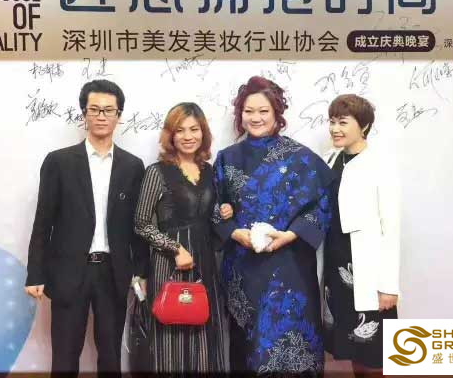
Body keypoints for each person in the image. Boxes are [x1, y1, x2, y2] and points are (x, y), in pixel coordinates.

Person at [24, 79, 148, 376]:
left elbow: (137, 225)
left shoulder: (132, 166)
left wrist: (141, 271)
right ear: (84, 113)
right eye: (94, 109)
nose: (101, 116)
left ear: (119, 115)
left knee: (110, 357)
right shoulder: (59, 162)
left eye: (108, 110)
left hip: (113, 272)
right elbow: (43, 221)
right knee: (65, 357)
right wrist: (35, 273)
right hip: (69, 272)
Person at [213, 76, 334, 374]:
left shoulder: (301, 158)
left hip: (290, 268)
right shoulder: (227, 158)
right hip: (243, 267)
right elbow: (212, 205)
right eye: (248, 111)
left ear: (277, 113)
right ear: (240, 114)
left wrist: (291, 234)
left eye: (263, 111)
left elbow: (323, 202)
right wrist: (234, 232)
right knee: (247, 349)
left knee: (291, 346)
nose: (255, 118)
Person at [134, 102, 228, 373]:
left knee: (204, 334)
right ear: (170, 135)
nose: (188, 136)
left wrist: (224, 211)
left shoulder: (210, 171)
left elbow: (210, 219)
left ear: (203, 133)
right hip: (169, 264)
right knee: (170, 337)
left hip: (205, 262)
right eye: (180, 130)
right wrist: (175, 249)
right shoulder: (156, 171)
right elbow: (141, 223)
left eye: (194, 129)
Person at [322, 94, 400, 377]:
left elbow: (391, 227)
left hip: (368, 270)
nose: (335, 129)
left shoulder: (380, 164)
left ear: (364, 125)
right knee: (351, 346)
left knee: (375, 353)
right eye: (332, 122)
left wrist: (388, 286)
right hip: (336, 266)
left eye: (343, 122)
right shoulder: (330, 159)